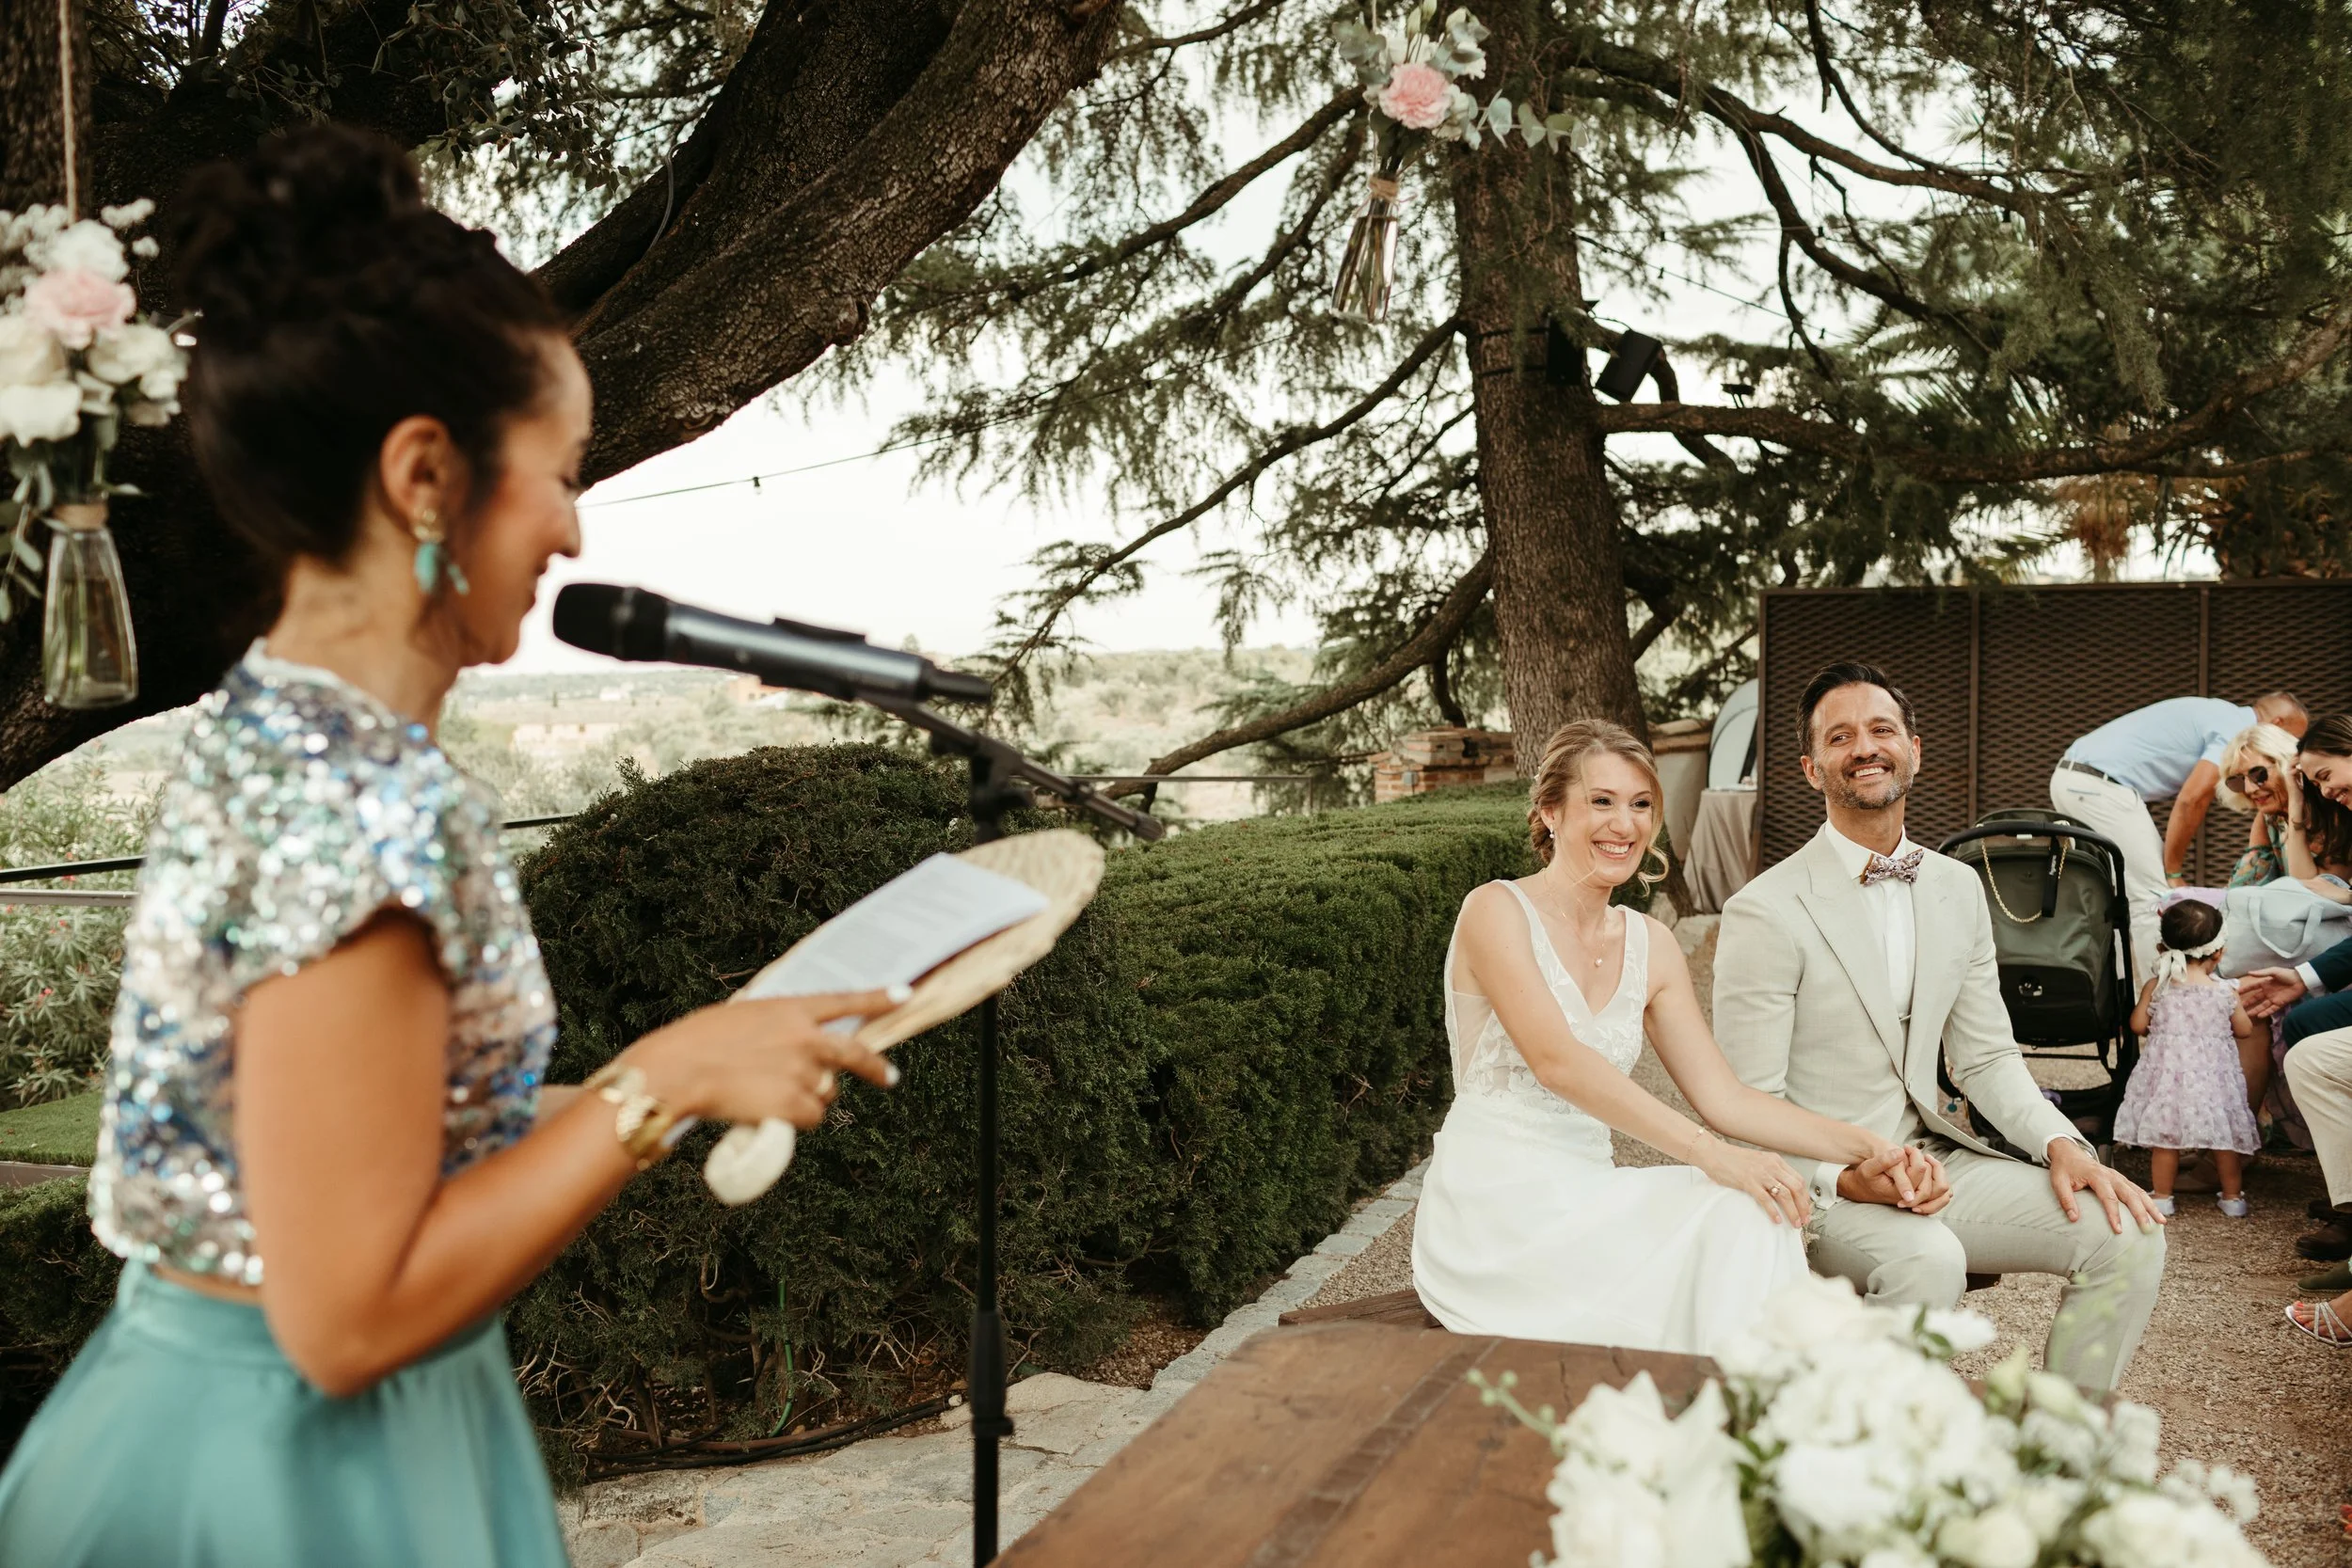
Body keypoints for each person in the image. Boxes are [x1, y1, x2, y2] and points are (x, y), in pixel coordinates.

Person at [0, 127, 904, 1565]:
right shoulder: (364, 810)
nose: (574, 529)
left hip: (236, 1404)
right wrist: (659, 1079)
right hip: (291, 1478)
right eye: (561, 470)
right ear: (426, 473)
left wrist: (690, 1067)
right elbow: (346, 1317)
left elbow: (375, 1145)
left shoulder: (283, 725)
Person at [1409, 719, 1940, 1355]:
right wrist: (1711, 1155)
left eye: (1640, 805)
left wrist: (1871, 1147)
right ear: (1551, 812)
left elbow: (1726, 1099)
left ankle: (1757, 1401)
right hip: (1492, 1209)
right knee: (1724, 1220)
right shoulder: (1495, 910)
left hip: (1589, 1192)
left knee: (1756, 1208)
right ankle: (1759, 1388)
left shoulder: (1650, 944)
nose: (1624, 824)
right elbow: (1558, 1062)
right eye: (1601, 801)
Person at [1718, 661, 2168, 1394]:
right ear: (1810, 767)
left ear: (1914, 750)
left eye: (1881, 729)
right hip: (1823, 1185)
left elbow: (1986, 1056)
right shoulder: (1764, 910)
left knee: (2129, 1230)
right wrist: (1843, 1176)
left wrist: (2061, 1143)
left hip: (1938, 1161)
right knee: (1929, 1260)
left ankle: (2065, 1441)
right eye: (1840, 736)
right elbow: (1747, 1103)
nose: (1865, 747)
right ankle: (1869, 1444)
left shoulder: (1959, 886)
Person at [2050, 692, 2309, 982]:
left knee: (2123, 896)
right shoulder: (2236, 727)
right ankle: (2160, 998)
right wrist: (2173, 872)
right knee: (2152, 898)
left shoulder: (2217, 712)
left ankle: (2124, 996)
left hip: (2077, 780)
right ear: (2276, 725)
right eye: (2294, 740)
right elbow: (2191, 799)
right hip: (2097, 785)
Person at [2113, 900, 2261, 1217]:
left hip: (2169, 1078)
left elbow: (2137, 1025)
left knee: (2166, 1138)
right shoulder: (2225, 991)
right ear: (2218, 953)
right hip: (2213, 1080)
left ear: (2162, 947)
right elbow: (2245, 1030)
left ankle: (2162, 1197)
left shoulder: (2158, 986)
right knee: (2223, 1140)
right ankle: (2233, 1198)